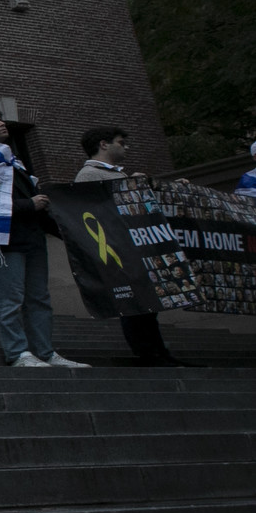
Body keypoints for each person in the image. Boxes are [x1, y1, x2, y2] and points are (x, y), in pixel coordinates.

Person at [0, 105, 86, 369]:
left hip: (31, 236)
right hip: (0, 240)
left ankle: (45, 352)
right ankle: (18, 352)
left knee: (39, 297)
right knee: (9, 299)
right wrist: (29, 205)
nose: (2, 124)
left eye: (1, 120)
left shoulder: (13, 161)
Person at [71, 126, 182, 366]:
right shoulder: (88, 175)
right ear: (103, 144)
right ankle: (147, 352)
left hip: (137, 247)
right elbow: (94, 212)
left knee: (149, 302)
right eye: (121, 142)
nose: (126, 147)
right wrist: (131, 186)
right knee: (135, 302)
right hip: (118, 251)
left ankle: (158, 351)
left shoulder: (117, 174)